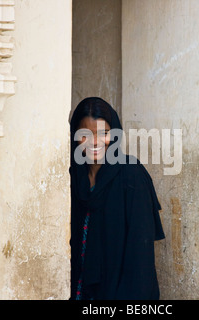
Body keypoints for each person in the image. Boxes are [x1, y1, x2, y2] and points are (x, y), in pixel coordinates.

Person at [69, 97, 165, 300]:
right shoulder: (73, 177)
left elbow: (141, 257)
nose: (95, 142)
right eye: (85, 134)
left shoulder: (131, 175)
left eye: (103, 133)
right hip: (81, 290)